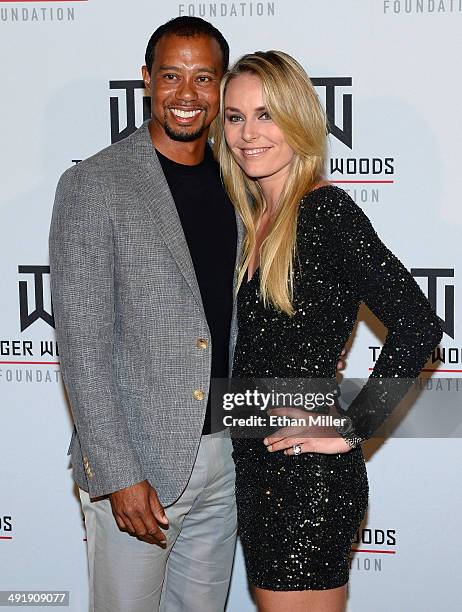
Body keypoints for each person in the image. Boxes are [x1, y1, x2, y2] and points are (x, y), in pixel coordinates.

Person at [213, 50, 443, 612]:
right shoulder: (250, 221)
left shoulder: (327, 214)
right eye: (235, 116)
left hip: (303, 476)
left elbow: (418, 325)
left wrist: (350, 427)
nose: (248, 134)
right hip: (257, 461)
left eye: (265, 115)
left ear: (299, 121)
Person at [49, 16, 240, 612]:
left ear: (222, 85)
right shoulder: (95, 184)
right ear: (146, 80)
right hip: (138, 467)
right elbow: (82, 347)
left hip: (226, 459)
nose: (187, 94)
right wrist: (117, 473)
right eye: (171, 75)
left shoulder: (242, 182)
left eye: (203, 78)